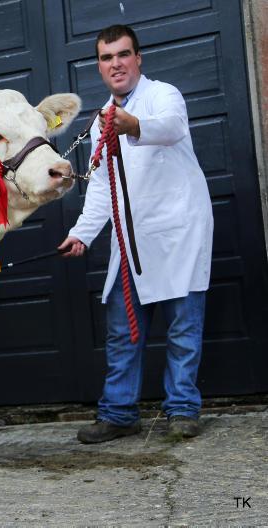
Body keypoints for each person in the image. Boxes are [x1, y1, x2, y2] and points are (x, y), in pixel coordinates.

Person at [58, 24, 213, 444]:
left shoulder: (164, 95)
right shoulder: (99, 123)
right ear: (99, 66)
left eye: (123, 54)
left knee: (183, 328)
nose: (116, 64)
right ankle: (119, 413)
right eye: (107, 58)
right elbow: (102, 188)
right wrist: (82, 234)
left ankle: (182, 409)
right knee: (122, 331)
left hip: (179, 230)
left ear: (138, 58)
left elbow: (171, 127)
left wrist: (132, 125)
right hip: (133, 238)